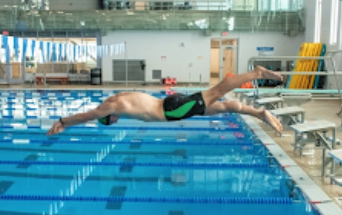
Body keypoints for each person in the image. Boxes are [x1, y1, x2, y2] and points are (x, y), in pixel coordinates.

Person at [47, 66, 283, 136]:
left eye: (111, 122)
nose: (116, 121)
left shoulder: (111, 107)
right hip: (172, 104)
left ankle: (257, 74)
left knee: (218, 91)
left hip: (174, 111)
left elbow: (88, 115)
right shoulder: (117, 97)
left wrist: (63, 121)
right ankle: (260, 113)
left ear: (109, 117)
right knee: (220, 107)